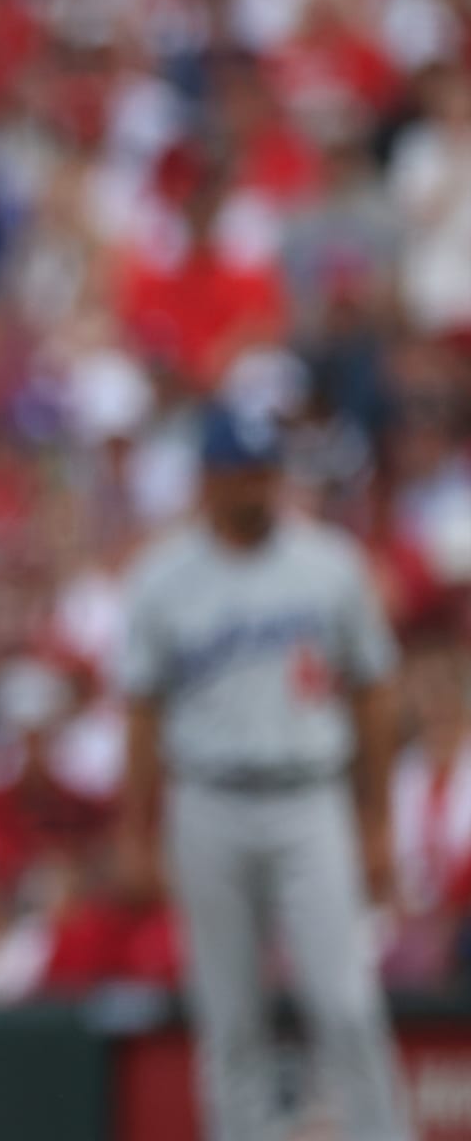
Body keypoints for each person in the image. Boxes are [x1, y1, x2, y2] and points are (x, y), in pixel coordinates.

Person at [114, 404, 413, 1141]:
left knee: (345, 1003)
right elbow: (142, 713)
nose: (255, 486)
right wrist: (136, 832)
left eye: (264, 471)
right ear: (208, 480)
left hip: (310, 794)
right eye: (240, 472)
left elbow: (374, 693)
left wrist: (376, 821)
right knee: (228, 1015)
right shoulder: (162, 578)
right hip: (208, 799)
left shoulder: (329, 564)